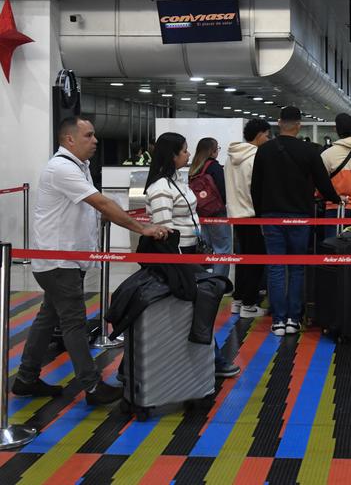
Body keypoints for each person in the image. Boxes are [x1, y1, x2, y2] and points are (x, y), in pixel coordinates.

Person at [13, 117, 170, 404]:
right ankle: (92, 386)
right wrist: (143, 228)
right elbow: (101, 203)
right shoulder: (62, 168)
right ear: (69, 140)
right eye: (89, 135)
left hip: (65, 261)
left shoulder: (78, 167)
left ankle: (25, 378)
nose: (96, 140)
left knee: (48, 318)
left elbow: (100, 203)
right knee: (73, 323)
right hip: (60, 262)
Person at [145, 132, 242, 378]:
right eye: (184, 150)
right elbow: (163, 231)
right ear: (172, 155)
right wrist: (179, 266)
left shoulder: (178, 181)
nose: (188, 154)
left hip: (190, 254)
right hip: (177, 259)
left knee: (195, 310)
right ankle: (214, 359)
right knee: (195, 310)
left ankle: (212, 359)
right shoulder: (160, 188)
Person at [251, 106, 343, 337]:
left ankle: (278, 321)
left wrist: (260, 213)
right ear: (299, 125)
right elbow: (323, 183)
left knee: (275, 267)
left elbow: (256, 187)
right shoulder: (309, 150)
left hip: (271, 215)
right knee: (297, 267)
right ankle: (294, 318)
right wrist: (337, 199)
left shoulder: (264, 151)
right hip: (300, 216)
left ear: (279, 123)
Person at [225, 118, 271, 318]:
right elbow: (258, 189)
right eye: (268, 135)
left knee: (242, 260)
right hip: (252, 214)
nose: (269, 139)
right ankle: (249, 304)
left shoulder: (231, 156)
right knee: (255, 261)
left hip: (235, 215)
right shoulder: (256, 157)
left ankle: (238, 300)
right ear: (260, 134)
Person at [189, 137, 231, 278]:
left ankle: (204, 281)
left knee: (206, 248)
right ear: (212, 151)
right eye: (217, 148)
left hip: (200, 214)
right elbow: (222, 191)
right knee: (222, 249)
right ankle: (219, 283)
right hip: (216, 213)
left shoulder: (194, 168)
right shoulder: (214, 167)